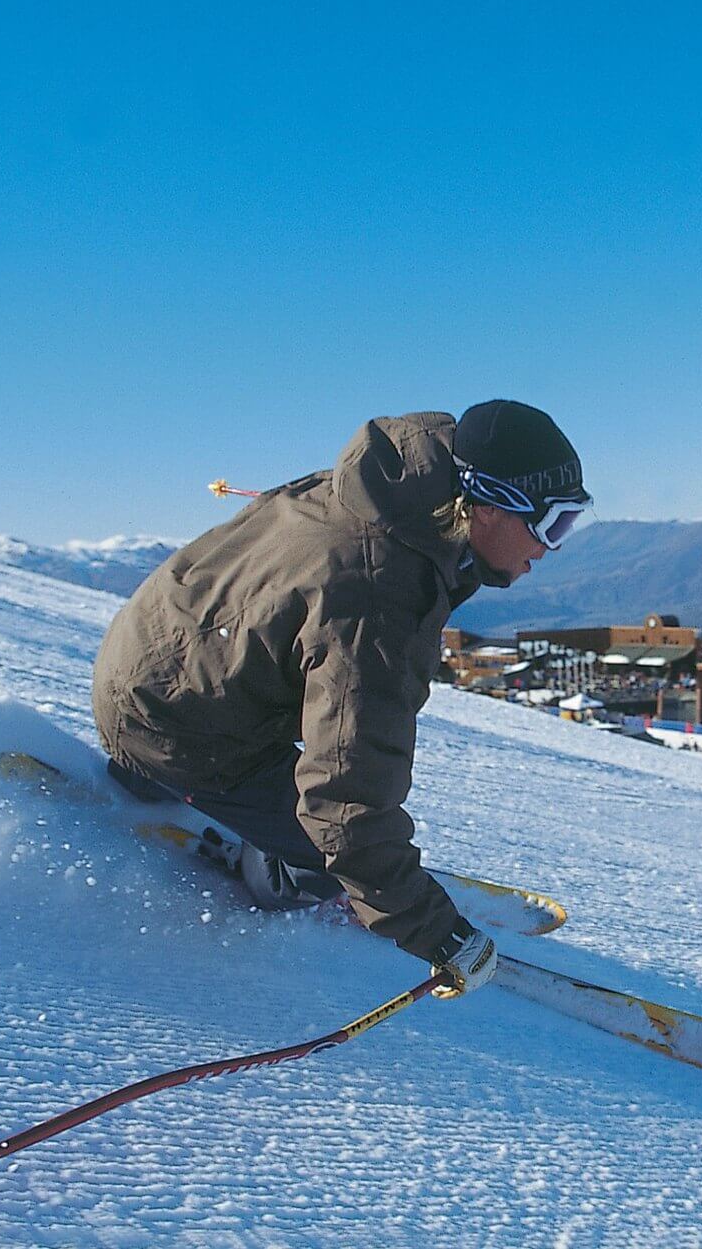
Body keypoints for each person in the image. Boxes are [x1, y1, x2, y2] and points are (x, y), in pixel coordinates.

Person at [91, 402, 588, 996]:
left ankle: (158, 780)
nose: (551, 549)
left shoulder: (380, 490)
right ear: (484, 505)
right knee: (329, 857)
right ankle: (260, 862)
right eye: (551, 525)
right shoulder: (380, 594)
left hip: (146, 665)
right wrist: (436, 934)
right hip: (173, 723)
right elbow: (348, 806)